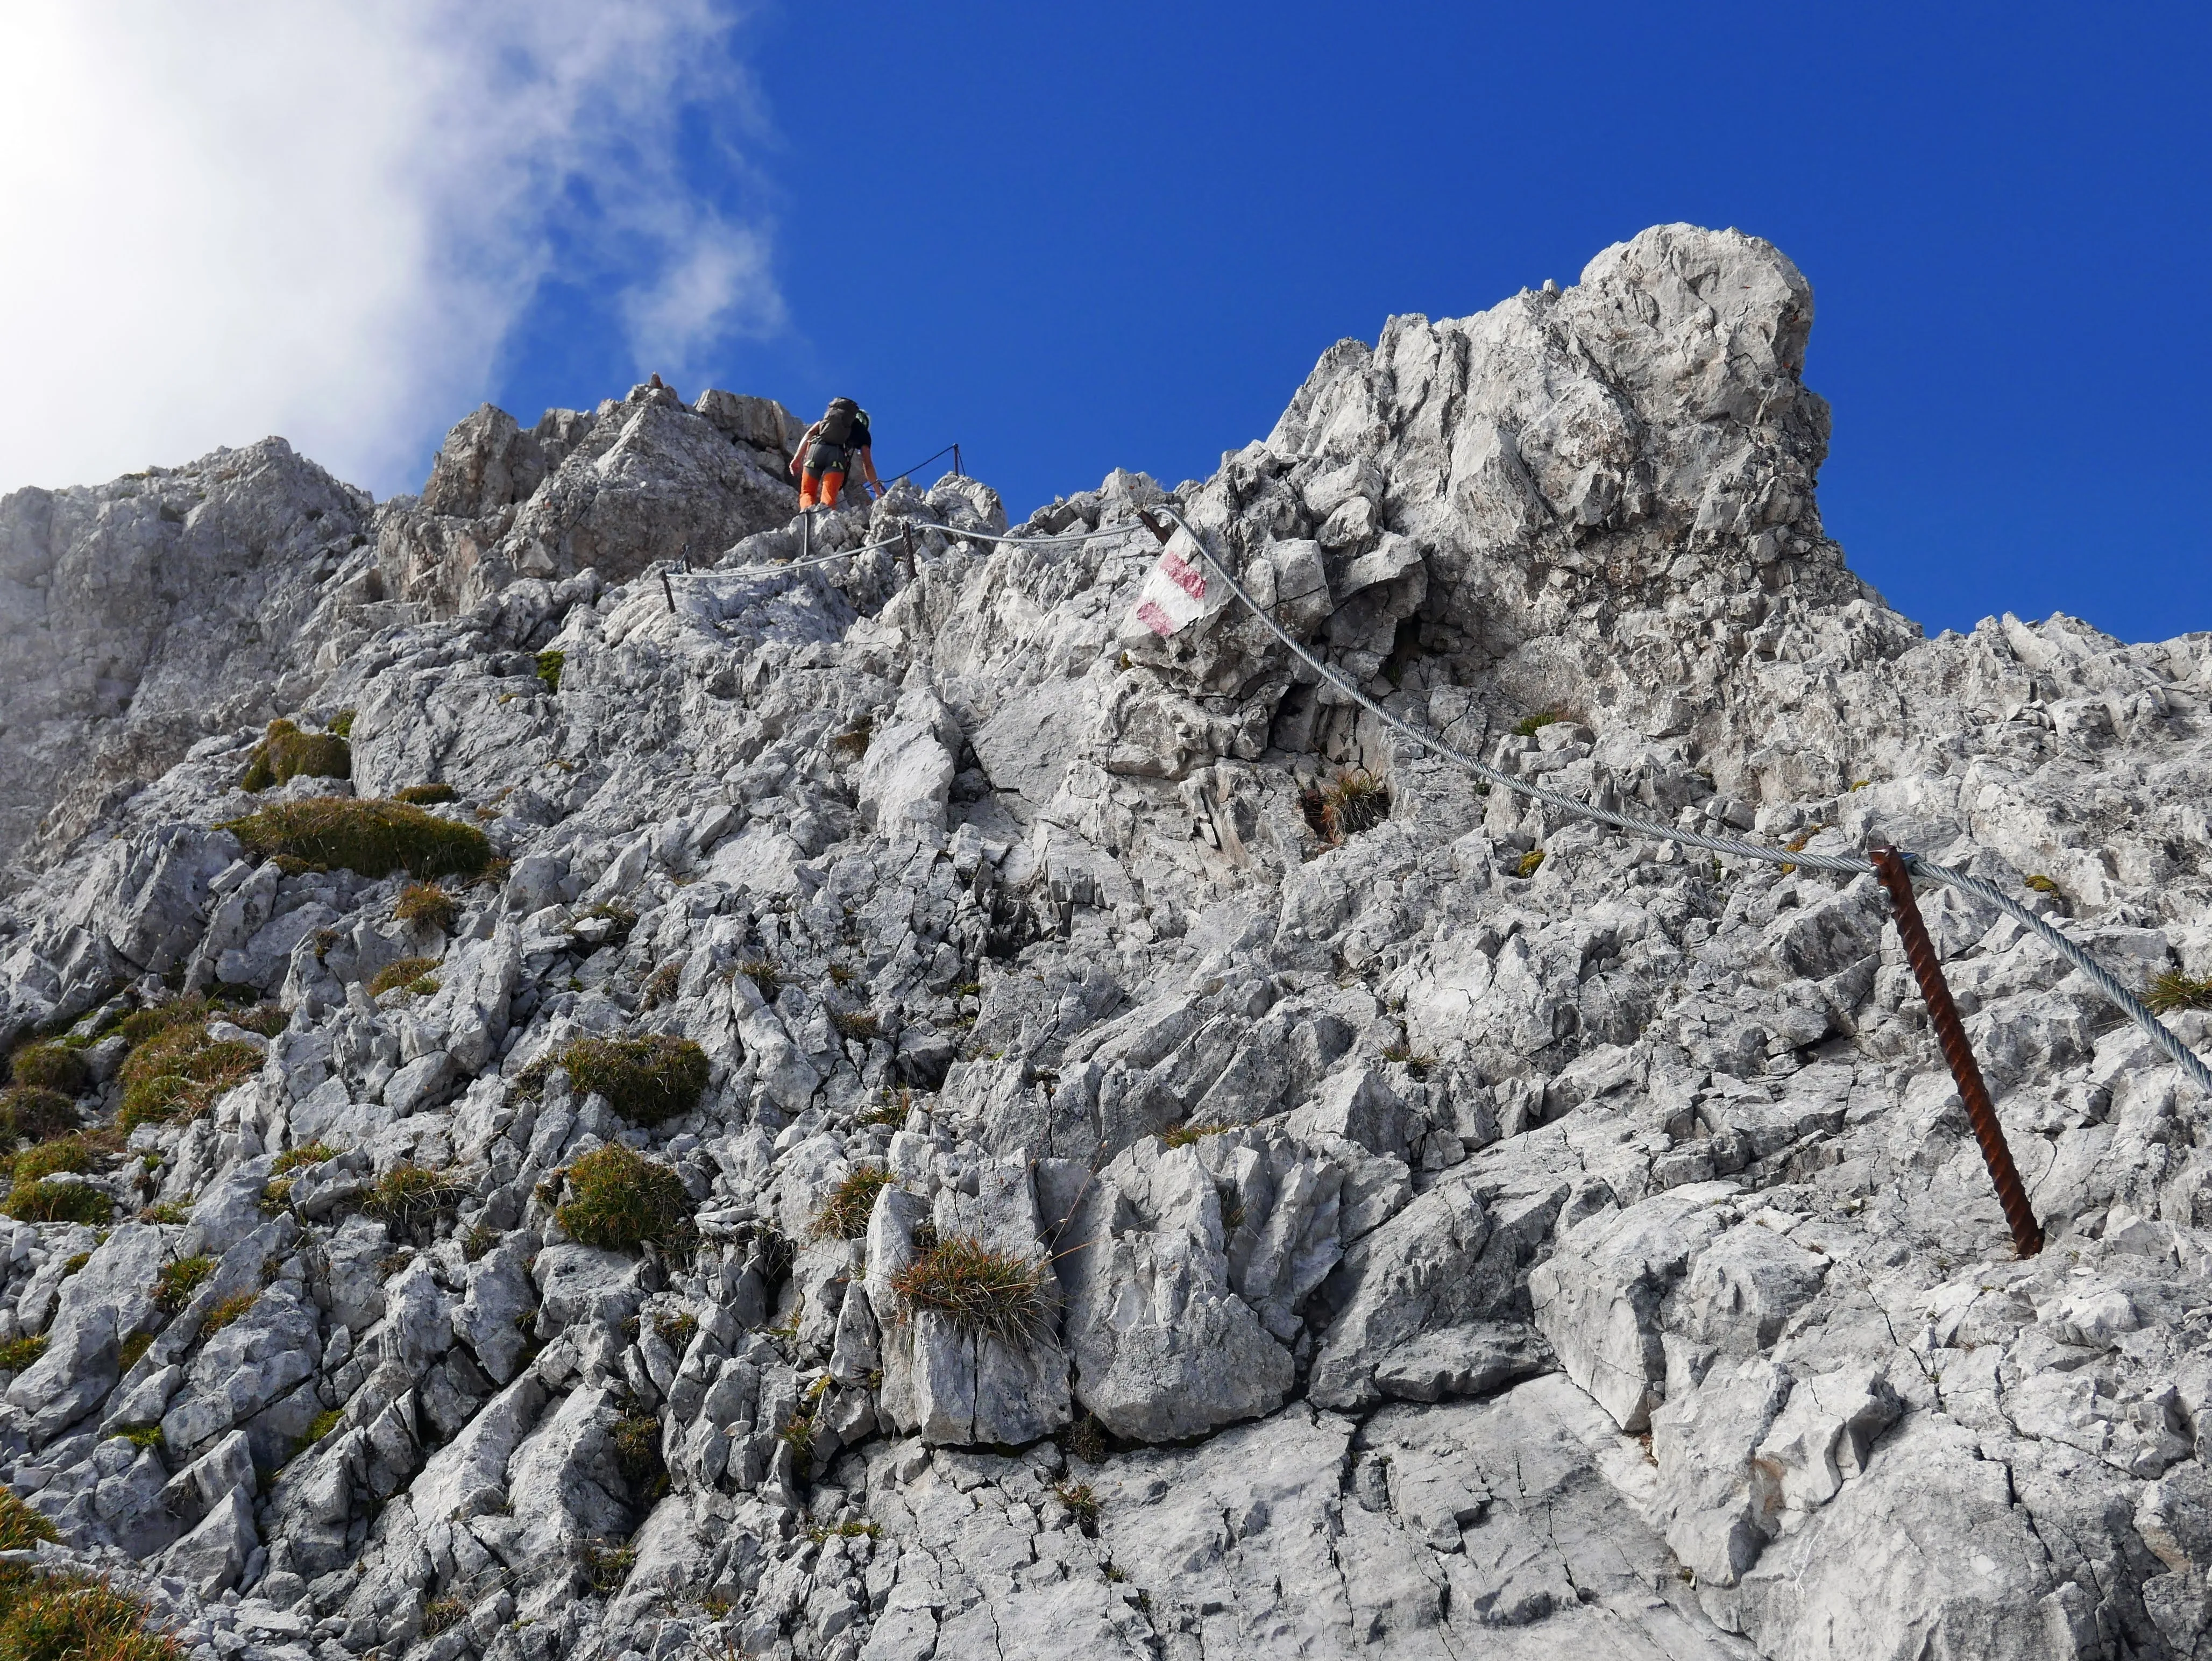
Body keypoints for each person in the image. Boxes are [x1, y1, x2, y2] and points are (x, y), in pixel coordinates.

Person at [790, 397, 882, 509]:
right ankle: (824, 517)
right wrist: (878, 492)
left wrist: (797, 458)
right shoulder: (864, 434)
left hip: (816, 451)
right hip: (837, 457)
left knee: (807, 492)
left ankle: (806, 515)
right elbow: (868, 465)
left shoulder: (832, 419)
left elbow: (810, 433)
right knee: (829, 495)